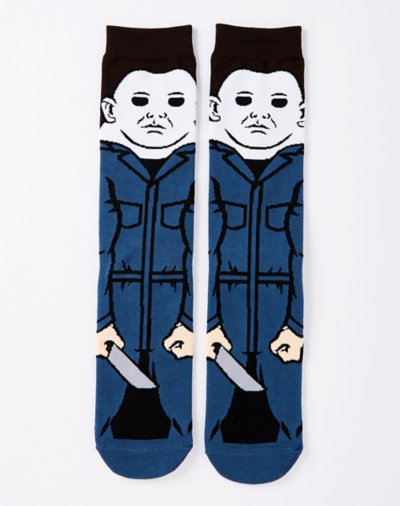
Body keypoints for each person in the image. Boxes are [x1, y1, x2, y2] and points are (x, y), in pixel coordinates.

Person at [96, 68, 197, 441]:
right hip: (121, 300)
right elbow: (106, 253)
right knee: (127, 379)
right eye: (140, 101)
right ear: (111, 109)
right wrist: (104, 319)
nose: (156, 114)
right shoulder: (113, 169)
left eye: (175, 102)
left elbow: (192, 256)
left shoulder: (189, 170)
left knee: (166, 372)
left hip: (172, 303)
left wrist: (188, 320)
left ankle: (171, 426)